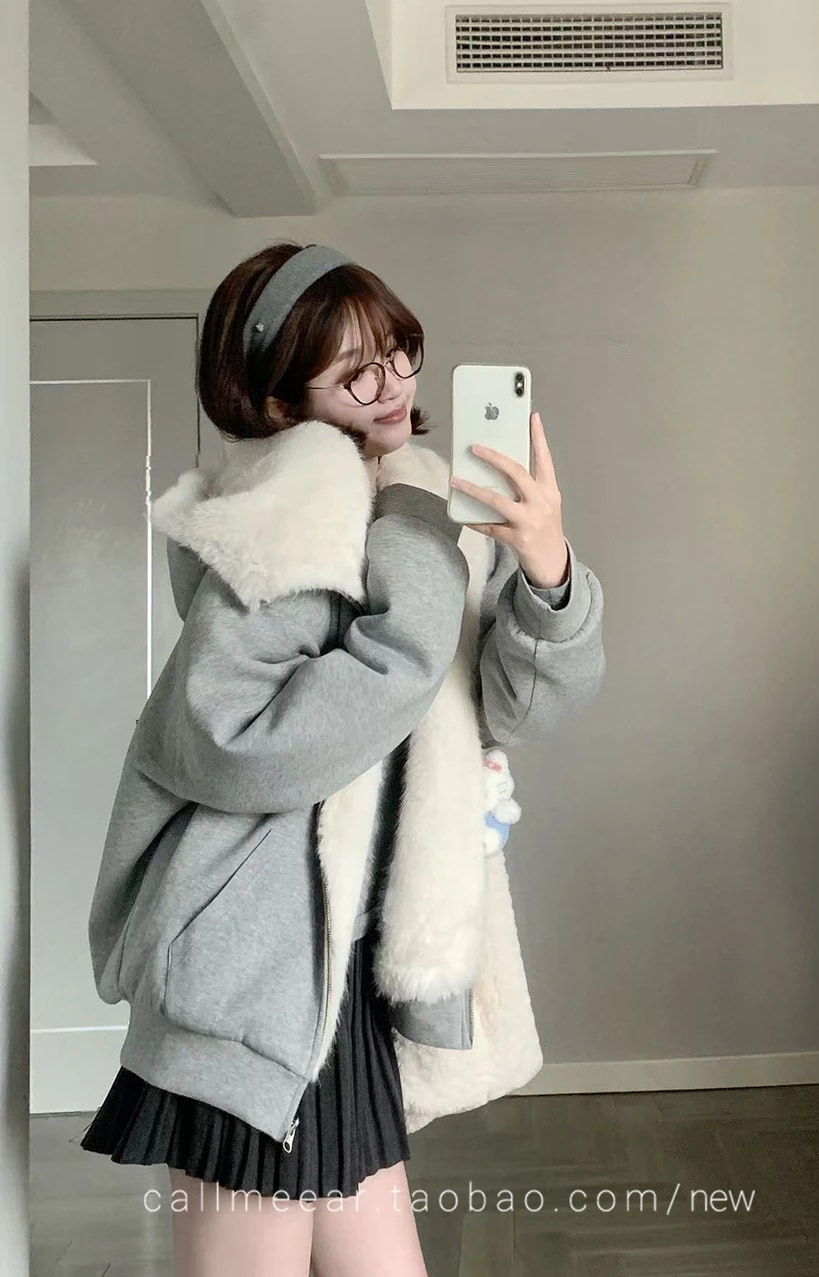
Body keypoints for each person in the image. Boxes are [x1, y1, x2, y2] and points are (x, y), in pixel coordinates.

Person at [78, 241, 606, 1276]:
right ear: (280, 401)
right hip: (254, 991)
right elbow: (236, 743)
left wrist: (545, 567)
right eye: (358, 372)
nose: (396, 384)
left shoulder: (426, 513)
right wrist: (417, 540)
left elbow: (518, 704)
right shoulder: (280, 527)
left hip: (352, 983)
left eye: (399, 351)